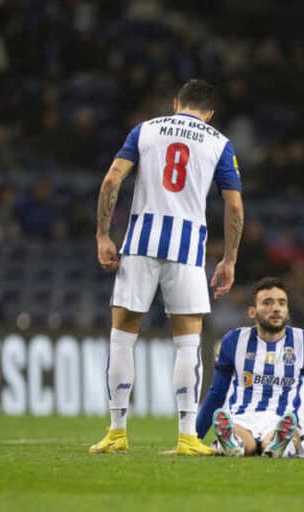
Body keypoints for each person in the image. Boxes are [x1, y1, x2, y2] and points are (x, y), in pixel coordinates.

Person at [89, 79, 244, 456]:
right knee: (187, 342)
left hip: (140, 241)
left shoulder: (145, 130)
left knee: (122, 336)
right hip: (188, 249)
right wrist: (229, 259)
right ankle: (187, 436)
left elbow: (112, 179)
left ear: (176, 103)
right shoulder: (218, 142)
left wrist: (102, 235)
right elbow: (235, 207)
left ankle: (117, 432)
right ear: (210, 113)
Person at [195, 277, 304, 459]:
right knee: (242, 439)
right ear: (252, 312)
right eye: (267, 303)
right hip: (242, 417)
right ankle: (234, 442)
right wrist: (194, 441)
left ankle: (275, 443)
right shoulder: (234, 340)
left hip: (284, 419)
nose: (276, 308)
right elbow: (216, 393)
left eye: (281, 303)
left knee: (280, 435)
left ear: (287, 311)